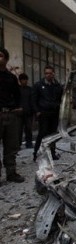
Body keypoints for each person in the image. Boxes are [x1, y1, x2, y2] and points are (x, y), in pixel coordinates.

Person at [0, 47, 25, 182]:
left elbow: (17, 95)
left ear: (6, 59)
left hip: (10, 114)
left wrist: (18, 108)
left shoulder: (11, 78)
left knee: (11, 146)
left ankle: (11, 172)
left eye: (1, 56)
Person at [32, 65, 63, 161]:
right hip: (43, 113)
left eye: (50, 73)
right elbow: (33, 100)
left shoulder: (57, 86)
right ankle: (36, 153)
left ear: (53, 74)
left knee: (53, 134)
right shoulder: (38, 85)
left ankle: (52, 153)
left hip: (54, 113)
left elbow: (61, 99)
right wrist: (37, 111)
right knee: (42, 133)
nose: (48, 75)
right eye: (46, 73)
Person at [18, 73, 34, 148]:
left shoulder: (30, 89)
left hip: (28, 113)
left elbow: (32, 101)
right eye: (23, 80)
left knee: (28, 129)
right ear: (20, 81)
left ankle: (29, 143)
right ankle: (18, 145)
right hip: (19, 114)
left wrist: (33, 111)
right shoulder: (17, 89)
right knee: (19, 130)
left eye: (25, 80)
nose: (24, 81)